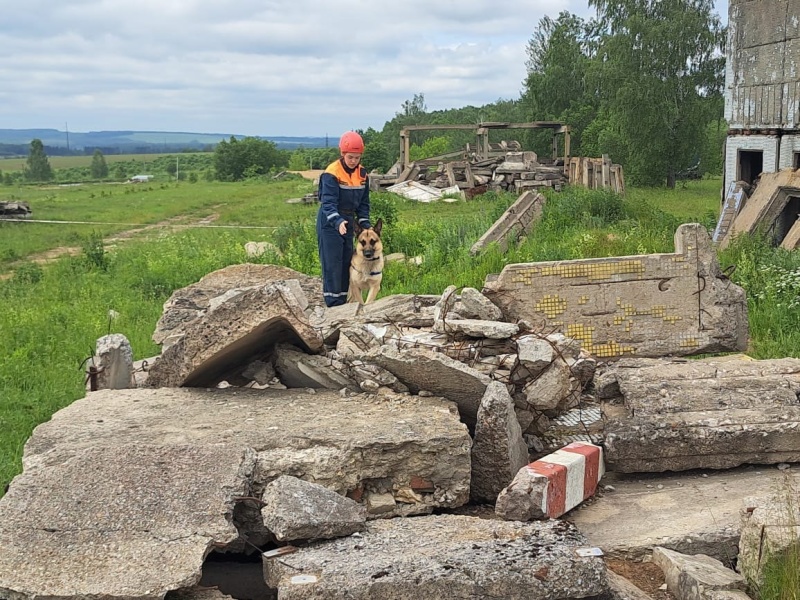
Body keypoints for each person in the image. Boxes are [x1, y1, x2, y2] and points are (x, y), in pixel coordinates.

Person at [316, 131, 371, 307]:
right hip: (330, 221)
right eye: (350, 157)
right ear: (342, 154)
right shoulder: (331, 173)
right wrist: (337, 221)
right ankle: (333, 304)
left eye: (357, 157)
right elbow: (328, 203)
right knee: (333, 262)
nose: (354, 161)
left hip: (350, 220)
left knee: (347, 260)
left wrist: (365, 226)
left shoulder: (363, 174)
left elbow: (363, 204)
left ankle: (343, 299)